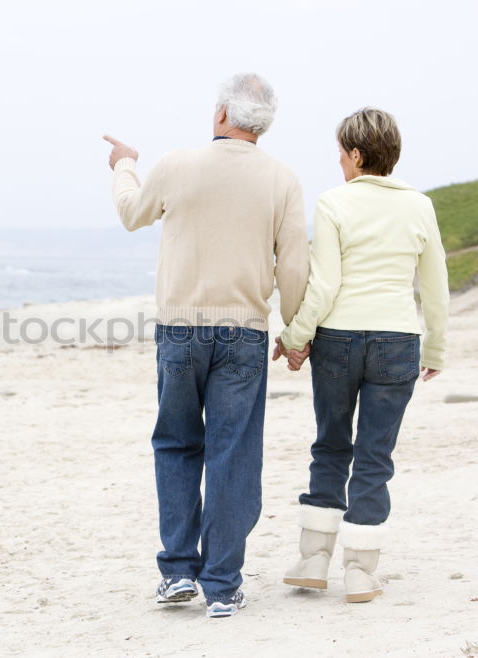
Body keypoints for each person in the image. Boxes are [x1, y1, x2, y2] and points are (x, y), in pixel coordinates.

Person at [103, 73, 310, 617]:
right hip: (244, 330)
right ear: (262, 125)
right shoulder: (282, 179)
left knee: (175, 445)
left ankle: (176, 573)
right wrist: (294, 332)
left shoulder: (176, 165)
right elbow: (293, 263)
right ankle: (221, 583)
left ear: (221, 114)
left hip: (180, 329)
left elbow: (131, 214)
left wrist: (125, 164)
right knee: (232, 454)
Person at [275, 107, 449, 603]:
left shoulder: (334, 203)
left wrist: (295, 336)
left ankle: (313, 559)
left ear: (356, 154)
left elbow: (325, 282)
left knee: (331, 445)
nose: (338, 161)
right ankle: (359, 570)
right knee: (375, 456)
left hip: (339, 339)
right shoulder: (420, 205)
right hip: (397, 340)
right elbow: (434, 284)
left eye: (340, 152)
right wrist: (436, 344)